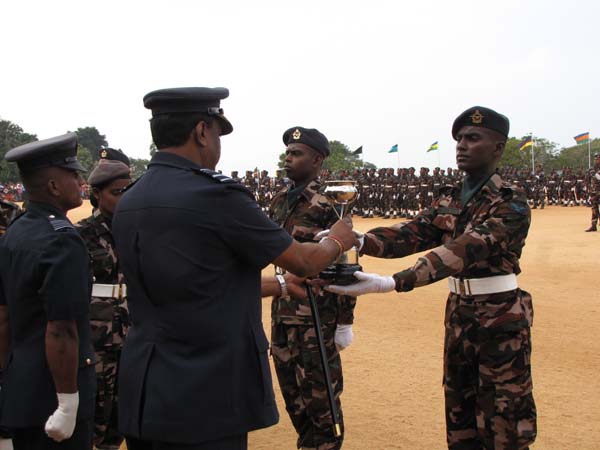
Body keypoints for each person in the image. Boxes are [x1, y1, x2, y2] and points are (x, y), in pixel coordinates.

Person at [112, 87, 356, 450]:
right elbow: (305, 261)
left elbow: (201, 280)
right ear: (201, 131)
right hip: (206, 392)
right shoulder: (215, 195)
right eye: (216, 132)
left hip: (145, 389)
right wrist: (338, 239)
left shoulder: (130, 198)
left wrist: (281, 286)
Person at [325, 106, 537, 450]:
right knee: (460, 420)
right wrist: (361, 240)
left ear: (498, 149)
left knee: (504, 424)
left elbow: (462, 250)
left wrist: (395, 281)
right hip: (460, 314)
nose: (462, 145)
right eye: (459, 138)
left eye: (473, 138)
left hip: (501, 319)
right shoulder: (450, 198)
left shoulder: (511, 202)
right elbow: (413, 232)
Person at [0, 132, 96, 449]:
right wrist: (67, 403)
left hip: (23, 390)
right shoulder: (62, 240)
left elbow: (3, 317)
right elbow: (61, 330)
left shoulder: (16, 230)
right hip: (55, 393)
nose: (81, 181)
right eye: (74, 174)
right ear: (54, 186)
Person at [268, 126, 356, 450]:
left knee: (322, 406)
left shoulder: (330, 202)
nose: (288, 159)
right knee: (294, 401)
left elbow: (346, 263)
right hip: (283, 309)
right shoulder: (280, 199)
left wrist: (345, 320)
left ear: (317, 159)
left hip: (317, 315)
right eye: (287, 153)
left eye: (296, 153)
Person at [76, 158, 132, 449]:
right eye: (116, 192)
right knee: (94, 410)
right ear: (96, 193)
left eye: (127, 190)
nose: (123, 198)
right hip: (96, 336)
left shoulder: (134, 229)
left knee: (123, 414)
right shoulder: (81, 234)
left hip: (131, 331)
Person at [585, 153, 600, 232]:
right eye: (596, 159)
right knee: (594, 208)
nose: (597, 160)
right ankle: (593, 225)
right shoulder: (592, 169)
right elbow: (587, 179)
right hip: (594, 191)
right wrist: (587, 189)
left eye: (598, 158)